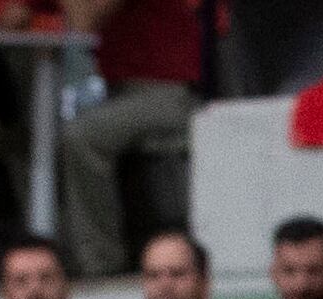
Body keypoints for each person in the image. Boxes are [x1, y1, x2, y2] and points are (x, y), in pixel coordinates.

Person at [55, 0, 208, 279]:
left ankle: (100, 265)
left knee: (82, 137)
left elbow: (82, 20)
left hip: (171, 93)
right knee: (43, 137)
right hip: (120, 91)